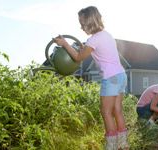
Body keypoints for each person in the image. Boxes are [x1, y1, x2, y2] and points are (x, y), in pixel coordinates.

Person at [53, 6, 129, 150]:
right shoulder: (105, 35)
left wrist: (64, 44)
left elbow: (77, 58)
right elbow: (93, 50)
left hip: (111, 77)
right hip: (121, 75)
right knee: (117, 110)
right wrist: (83, 46)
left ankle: (112, 146)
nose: (81, 27)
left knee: (106, 112)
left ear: (89, 22)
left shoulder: (93, 40)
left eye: (82, 23)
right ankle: (123, 145)